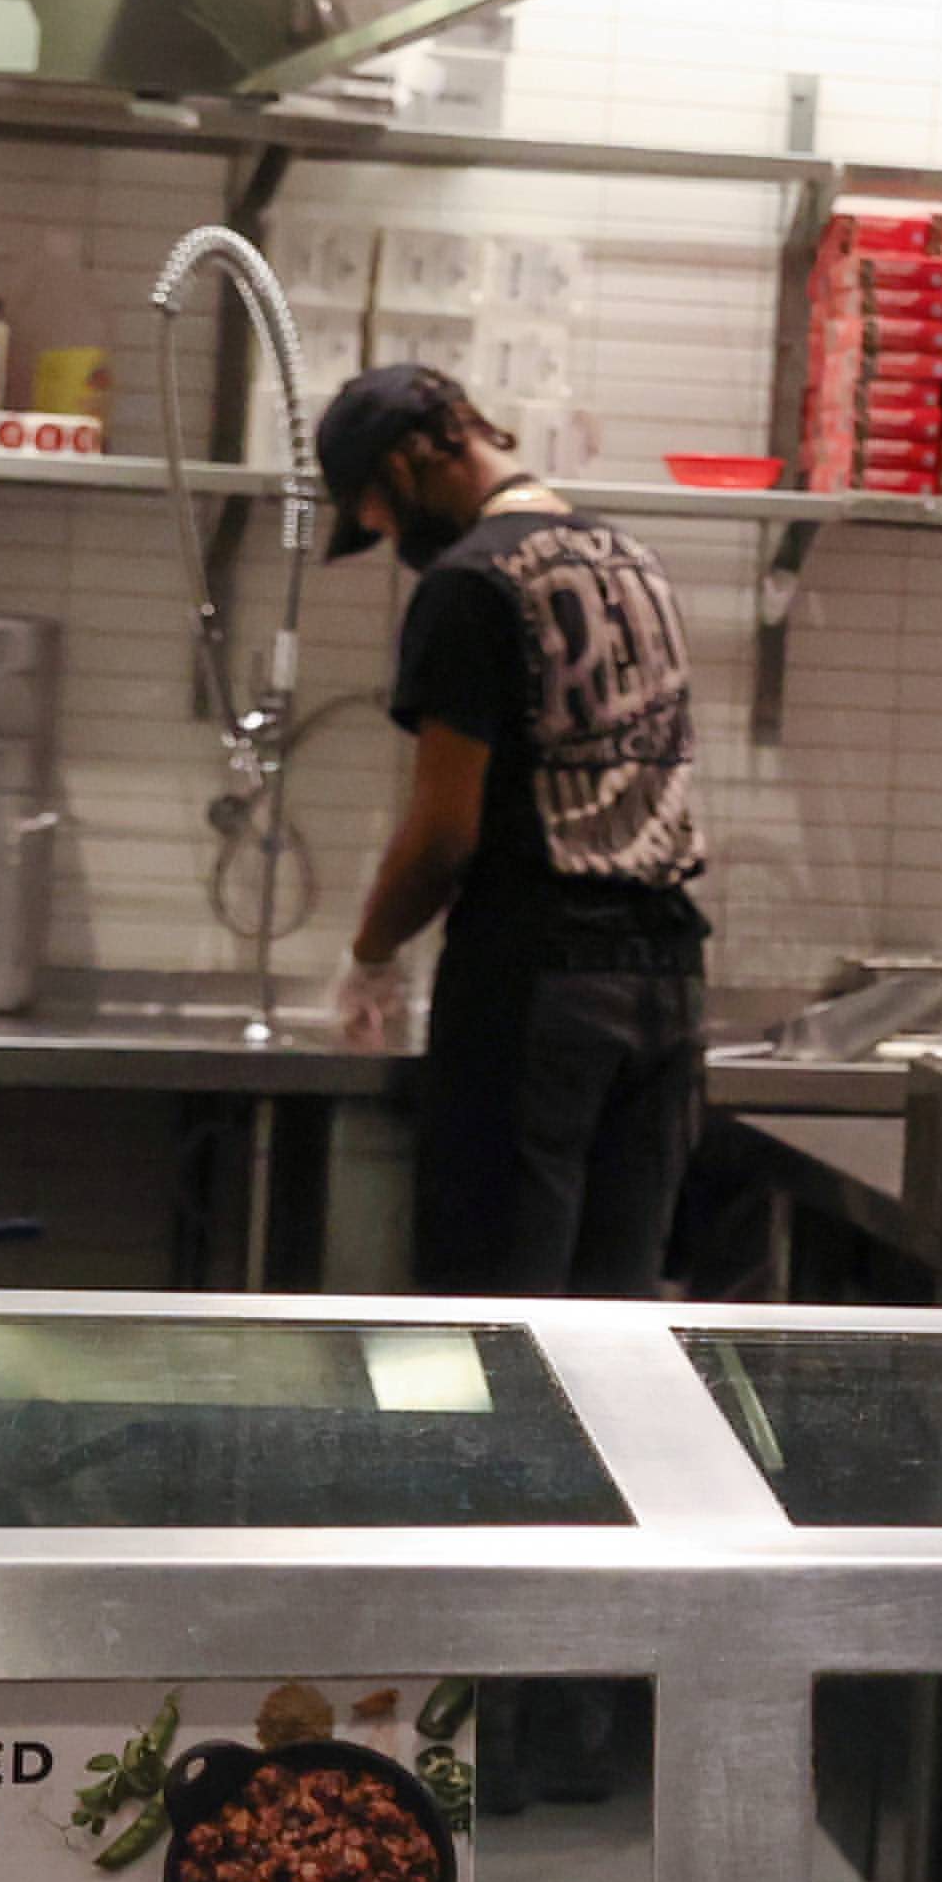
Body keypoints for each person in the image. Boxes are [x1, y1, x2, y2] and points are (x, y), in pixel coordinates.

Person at [314, 364, 713, 1295]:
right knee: (614, 1327)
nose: (381, 535)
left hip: (540, 986)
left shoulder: (471, 585)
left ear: (413, 462)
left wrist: (370, 955)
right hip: (669, 986)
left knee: (496, 1318)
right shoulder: (634, 561)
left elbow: (444, 834)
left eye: (373, 508)